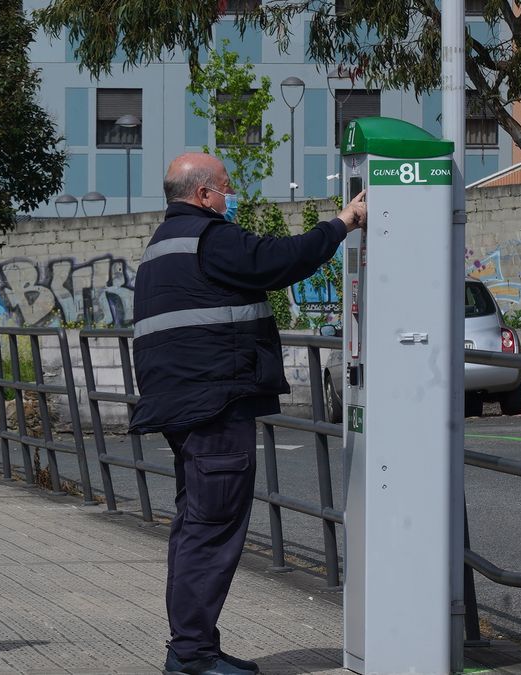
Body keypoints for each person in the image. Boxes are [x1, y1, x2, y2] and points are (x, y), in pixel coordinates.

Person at [130, 152, 367, 675]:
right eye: (226, 186)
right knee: (210, 529)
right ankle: (191, 655)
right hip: (215, 403)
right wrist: (344, 222)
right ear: (204, 194)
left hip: (184, 404)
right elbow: (279, 260)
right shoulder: (211, 238)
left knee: (196, 524)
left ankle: (194, 648)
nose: (231, 192)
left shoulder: (161, 246)